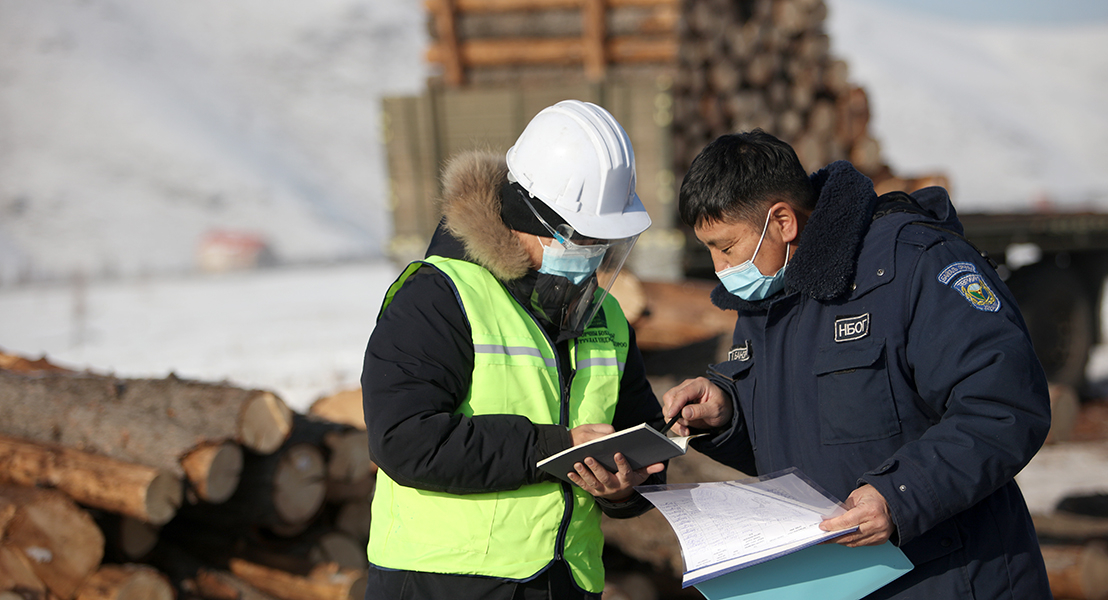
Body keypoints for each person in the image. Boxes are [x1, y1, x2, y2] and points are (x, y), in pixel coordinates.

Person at [662, 129, 1053, 598]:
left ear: (783, 222)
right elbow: (813, 434)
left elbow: (1003, 406)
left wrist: (899, 495)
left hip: (952, 580)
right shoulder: (768, 297)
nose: (720, 266)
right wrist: (728, 413)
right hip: (841, 582)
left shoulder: (912, 265)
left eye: (726, 248)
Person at [361, 100, 667, 600]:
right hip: (439, 586)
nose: (592, 253)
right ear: (530, 216)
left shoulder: (605, 315)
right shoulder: (439, 296)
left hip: (562, 583)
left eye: (603, 240)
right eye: (582, 236)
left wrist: (628, 487)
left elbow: (643, 439)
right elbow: (403, 440)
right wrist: (556, 449)